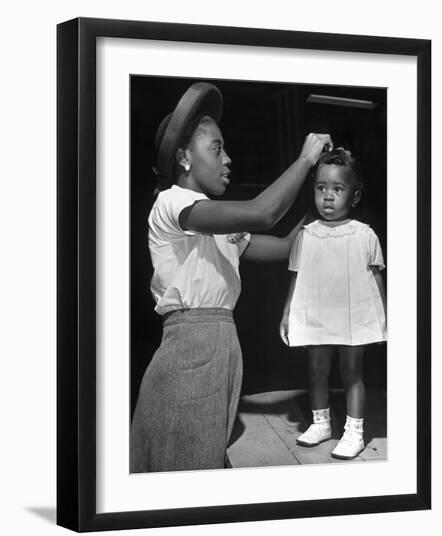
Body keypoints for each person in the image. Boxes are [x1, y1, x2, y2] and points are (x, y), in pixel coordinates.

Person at [130, 82, 333, 473]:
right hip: (190, 349)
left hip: (221, 346)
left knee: (202, 465)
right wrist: (305, 159)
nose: (228, 159)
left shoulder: (216, 224)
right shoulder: (173, 202)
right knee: (186, 475)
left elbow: (288, 246)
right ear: (184, 158)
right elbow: (262, 212)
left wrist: (321, 199)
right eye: (216, 148)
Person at [280, 147, 387, 459]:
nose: (328, 196)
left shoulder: (365, 234)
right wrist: (287, 312)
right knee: (316, 368)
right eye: (321, 188)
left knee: (351, 369)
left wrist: (383, 317)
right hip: (318, 312)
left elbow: (376, 277)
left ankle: (354, 432)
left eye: (337, 189)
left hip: (353, 314)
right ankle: (321, 422)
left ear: (353, 196)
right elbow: (296, 276)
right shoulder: (306, 234)